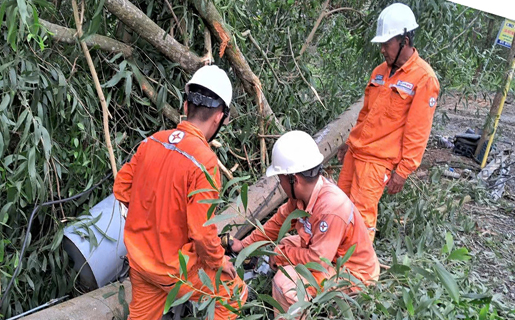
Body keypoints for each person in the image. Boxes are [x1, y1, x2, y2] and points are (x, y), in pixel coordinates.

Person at [113, 65, 246, 320]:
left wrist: (153, 216)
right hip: (174, 271)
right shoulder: (204, 161)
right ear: (219, 117)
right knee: (234, 294)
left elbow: (121, 188)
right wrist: (219, 263)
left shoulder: (152, 141)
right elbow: (201, 232)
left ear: (185, 107)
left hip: (140, 263)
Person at [230, 131, 379, 315]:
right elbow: (277, 223)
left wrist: (280, 255)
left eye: (281, 179)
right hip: (329, 256)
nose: (280, 184)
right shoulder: (302, 196)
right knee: (284, 244)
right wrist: (244, 246)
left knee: (285, 283)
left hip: (352, 273)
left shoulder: (331, 208)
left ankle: (293, 311)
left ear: (294, 179)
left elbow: (318, 262)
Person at [337, 3, 440, 242]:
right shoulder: (379, 72)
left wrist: (403, 171)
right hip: (357, 153)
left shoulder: (424, 79)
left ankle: (358, 272)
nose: (382, 49)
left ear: (404, 40)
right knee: (340, 207)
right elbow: (365, 114)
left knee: (361, 218)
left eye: (387, 44)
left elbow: (418, 131)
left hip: (377, 162)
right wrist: (350, 142)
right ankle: (335, 258)